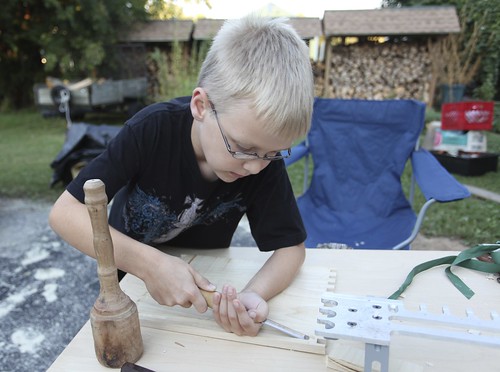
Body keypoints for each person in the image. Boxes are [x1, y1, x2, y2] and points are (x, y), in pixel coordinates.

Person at [49, 15, 314, 337]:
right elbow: (64, 213)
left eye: (274, 153)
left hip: (207, 279)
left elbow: (291, 249)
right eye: (243, 148)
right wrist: (149, 265)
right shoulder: (151, 129)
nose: (256, 167)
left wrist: (255, 293)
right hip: (131, 271)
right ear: (201, 106)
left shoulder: (260, 156)